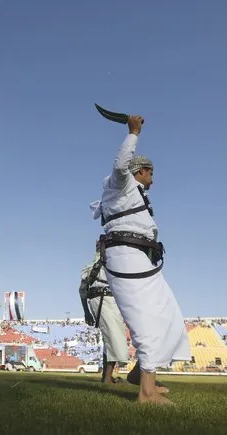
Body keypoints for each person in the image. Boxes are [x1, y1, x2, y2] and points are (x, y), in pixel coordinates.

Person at [91, 115, 190, 404]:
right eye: (150, 172)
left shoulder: (136, 194)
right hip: (125, 255)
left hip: (141, 258)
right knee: (145, 318)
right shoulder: (119, 184)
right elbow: (120, 165)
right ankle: (146, 392)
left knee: (167, 313)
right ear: (142, 170)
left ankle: (141, 375)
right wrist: (133, 133)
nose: (153, 178)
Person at [78, 242, 129, 384]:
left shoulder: (91, 266)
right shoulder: (109, 264)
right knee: (113, 338)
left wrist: (87, 312)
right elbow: (82, 290)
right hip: (106, 300)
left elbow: (82, 290)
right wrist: (86, 312)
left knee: (110, 339)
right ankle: (107, 378)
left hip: (101, 301)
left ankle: (107, 376)